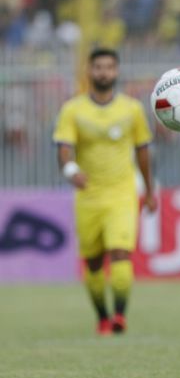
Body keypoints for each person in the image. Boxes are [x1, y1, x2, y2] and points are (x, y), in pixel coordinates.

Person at [53, 48, 156, 336]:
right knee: (94, 261)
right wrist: (71, 171)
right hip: (88, 196)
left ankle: (120, 316)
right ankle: (102, 317)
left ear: (116, 71)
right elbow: (64, 149)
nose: (103, 72)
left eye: (109, 67)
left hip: (122, 194)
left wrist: (149, 191)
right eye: (98, 67)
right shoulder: (73, 110)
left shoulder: (132, 109)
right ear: (89, 71)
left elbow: (143, 151)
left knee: (121, 252)